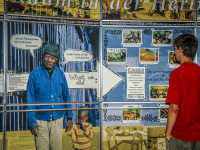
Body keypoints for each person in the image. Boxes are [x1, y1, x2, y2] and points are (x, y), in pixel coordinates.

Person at [26, 42, 73, 150]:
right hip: (40, 122)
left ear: (56, 60)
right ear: (44, 56)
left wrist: (69, 117)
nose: (49, 60)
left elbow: (66, 96)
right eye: (47, 57)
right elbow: (30, 99)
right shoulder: (34, 74)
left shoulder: (61, 74)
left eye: (52, 58)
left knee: (57, 148)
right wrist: (32, 122)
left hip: (58, 120)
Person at [165, 34, 200, 150]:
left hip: (181, 136)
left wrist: (168, 134)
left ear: (180, 49)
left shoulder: (177, 74)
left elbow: (174, 109)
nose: (174, 52)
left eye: (175, 49)